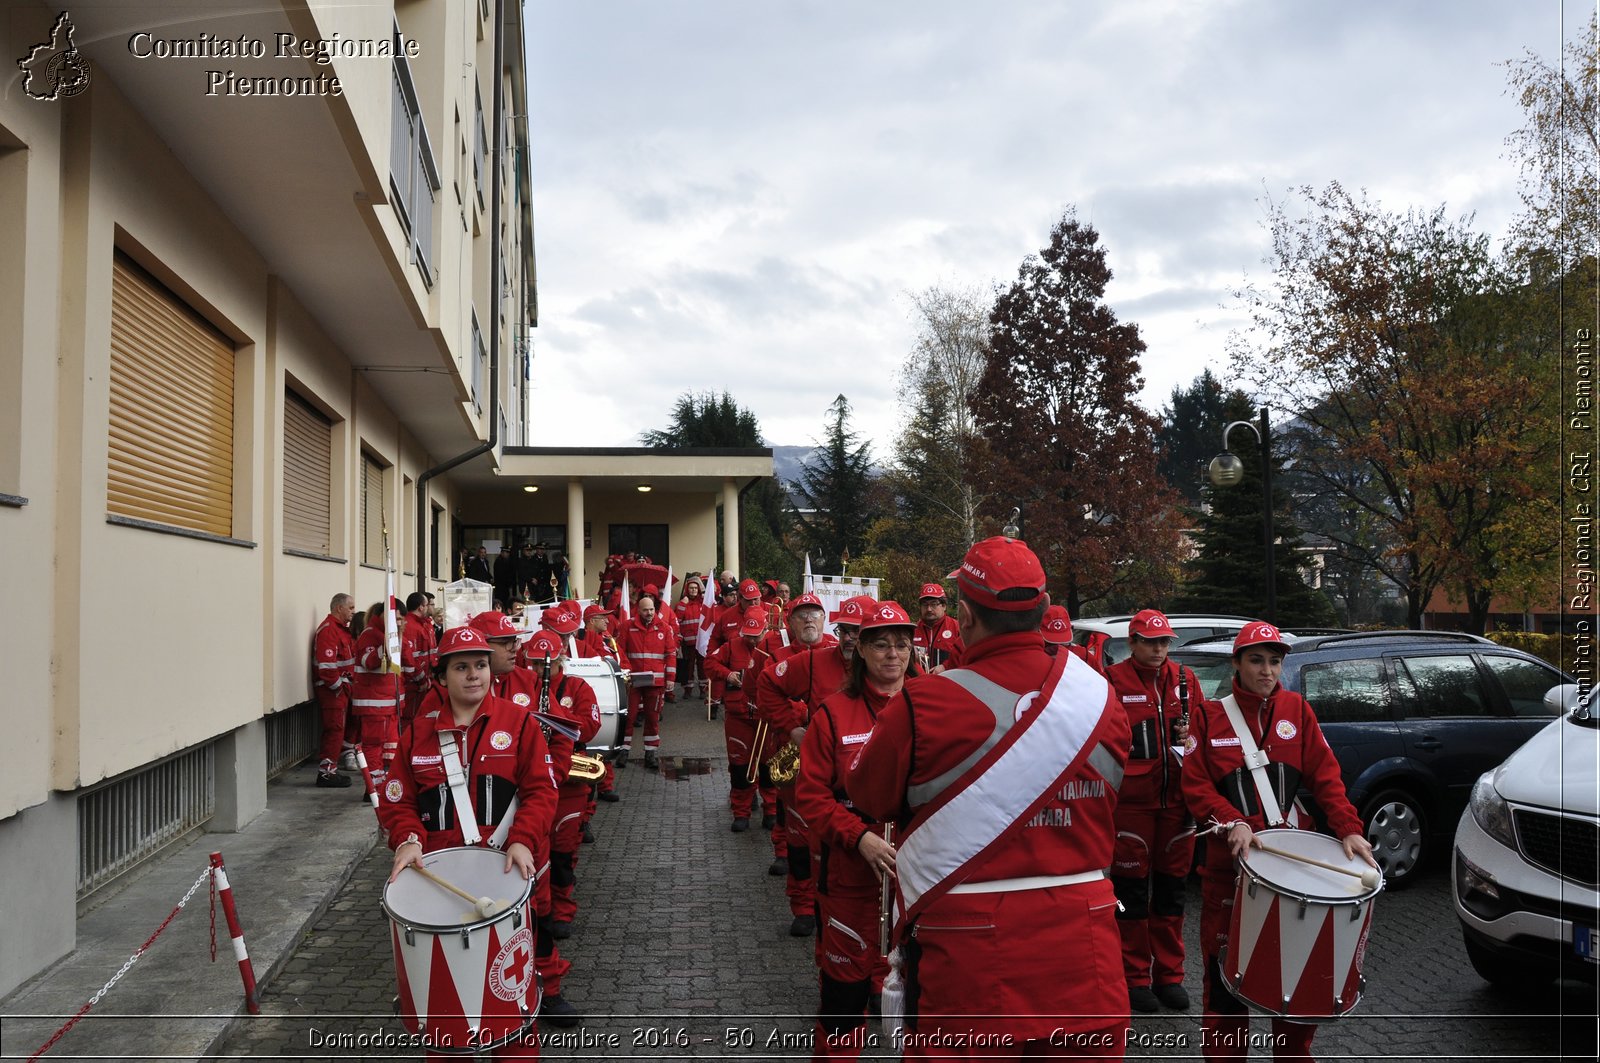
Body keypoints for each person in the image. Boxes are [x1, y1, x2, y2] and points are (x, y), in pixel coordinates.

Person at [845, 537, 1131, 1058]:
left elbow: (867, 794)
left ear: (966, 617)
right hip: (1086, 947)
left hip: (973, 954)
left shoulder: (922, 702)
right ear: (1044, 611)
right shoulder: (1100, 698)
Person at [1181, 621, 1375, 1062]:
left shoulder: (1297, 710)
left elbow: (1326, 777)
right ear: (1237, 663)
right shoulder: (1209, 716)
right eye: (1256, 660)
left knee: (1296, 986)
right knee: (1225, 991)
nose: (1267, 670)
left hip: (1290, 870)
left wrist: (1349, 827)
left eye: (1274, 661)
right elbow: (1194, 786)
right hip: (1226, 876)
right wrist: (1232, 821)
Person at [380, 625, 560, 1058]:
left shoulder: (519, 725)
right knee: (446, 1020)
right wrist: (406, 840)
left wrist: (522, 841)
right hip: (441, 889)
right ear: (442, 676)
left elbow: (542, 791)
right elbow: (397, 800)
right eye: (461, 667)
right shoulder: (417, 735)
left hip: (504, 878)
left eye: (480, 665)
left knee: (510, 1008)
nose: (474, 675)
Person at [795, 601, 921, 1060]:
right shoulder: (834, 714)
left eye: (902, 644)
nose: (893, 654)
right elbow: (810, 796)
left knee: (921, 1004)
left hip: (918, 876)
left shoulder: (933, 706)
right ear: (861, 650)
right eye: (882, 644)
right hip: (850, 875)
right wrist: (858, 836)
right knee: (844, 1003)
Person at [755, 594, 873, 937]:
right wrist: (792, 730)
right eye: (845, 630)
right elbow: (766, 685)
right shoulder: (814, 662)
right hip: (816, 776)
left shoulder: (885, 662)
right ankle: (805, 907)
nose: (850, 638)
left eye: (858, 631)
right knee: (803, 843)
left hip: (864, 779)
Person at [1104, 609, 1199, 1013]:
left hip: (1177, 808)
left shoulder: (1185, 679)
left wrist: (1189, 733)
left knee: (1171, 896)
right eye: (1150, 641)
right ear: (1133, 642)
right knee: (1129, 899)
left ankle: (1170, 976)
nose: (1159, 649)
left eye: (1164, 642)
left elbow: (1201, 733)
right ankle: (1134, 977)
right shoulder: (1111, 681)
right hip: (1131, 809)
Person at [703, 607, 772, 832]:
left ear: (766, 630)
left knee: (769, 765)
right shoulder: (732, 645)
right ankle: (741, 812)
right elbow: (710, 664)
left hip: (766, 719)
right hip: (738, 716)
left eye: (757, 635)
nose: (752, 640)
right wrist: (727, 674)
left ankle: (771, 811)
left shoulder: (775, 646)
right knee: (740, 765)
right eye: (749, 635)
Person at [350, 599, 403, 793]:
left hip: (386, 703)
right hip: (374, 704)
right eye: (396, 618)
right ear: (384, 616)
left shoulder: (384, 634)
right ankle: (373, 789)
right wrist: (386, 647)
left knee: (389, 748)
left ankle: (382, 784)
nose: (398, 623)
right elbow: (369, 662)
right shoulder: (370, 635)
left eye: (400, 619)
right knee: (373, 746)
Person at [619, 591, 675, 770]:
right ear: (638, 610)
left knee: (652, 718)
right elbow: (620, 652)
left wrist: (671, 679)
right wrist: (625, 674)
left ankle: (650, 753)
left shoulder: (664, 628)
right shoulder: (627, 626)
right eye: (645, 610)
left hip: (655, 683)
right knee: (628, 717)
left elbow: (670, 654)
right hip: (633, 682)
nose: (649, 613)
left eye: (651, 609)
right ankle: (623, 751)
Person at [312, 593, 357, 788]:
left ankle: (331, 768)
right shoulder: (329, 630)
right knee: (334, 729)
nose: (353, 612)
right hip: (332, 691)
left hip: (340, 689)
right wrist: (339, 687)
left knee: (339, 729)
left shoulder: (341, 630)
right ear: (339, 608)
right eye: (351, 608)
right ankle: (326, 773)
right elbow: (328, 668)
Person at [912, 582, 964, 672]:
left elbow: (968, 656)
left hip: (950, 682)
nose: (929, 609)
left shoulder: (958, 628)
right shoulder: (912, 631)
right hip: (920, 682)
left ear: (944, 606)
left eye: (934, 604)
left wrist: (946, 667)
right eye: (925, 604)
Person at [675, 575, 709, 700]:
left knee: (702, 667)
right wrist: (683, 605)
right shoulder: (682, 604)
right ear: (687, 590)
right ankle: (687, 690)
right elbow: (677, 620)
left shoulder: (703, 604)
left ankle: (703, 690)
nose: (694, 590)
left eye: (695, 588)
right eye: (691, 588)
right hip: (687, 643)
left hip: (701, 643)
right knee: (687, 667)